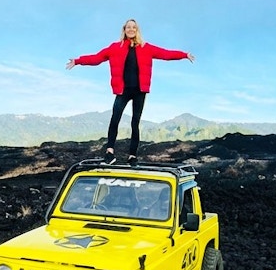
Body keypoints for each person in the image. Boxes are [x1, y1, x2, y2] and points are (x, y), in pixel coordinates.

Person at [66, 18, 195, 165]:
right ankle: (110, 153)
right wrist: (77, 61)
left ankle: (132, 156)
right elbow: (97, 58)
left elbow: (166, 54)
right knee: (115, 119)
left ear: (137, 30)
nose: (131, 29)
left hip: (140, 90)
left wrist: (184, 55)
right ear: (124, 30)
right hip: (123, 90)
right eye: (128, 27)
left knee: (135, 123)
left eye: (134, 27)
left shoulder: (146, 47)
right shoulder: (115, 47)